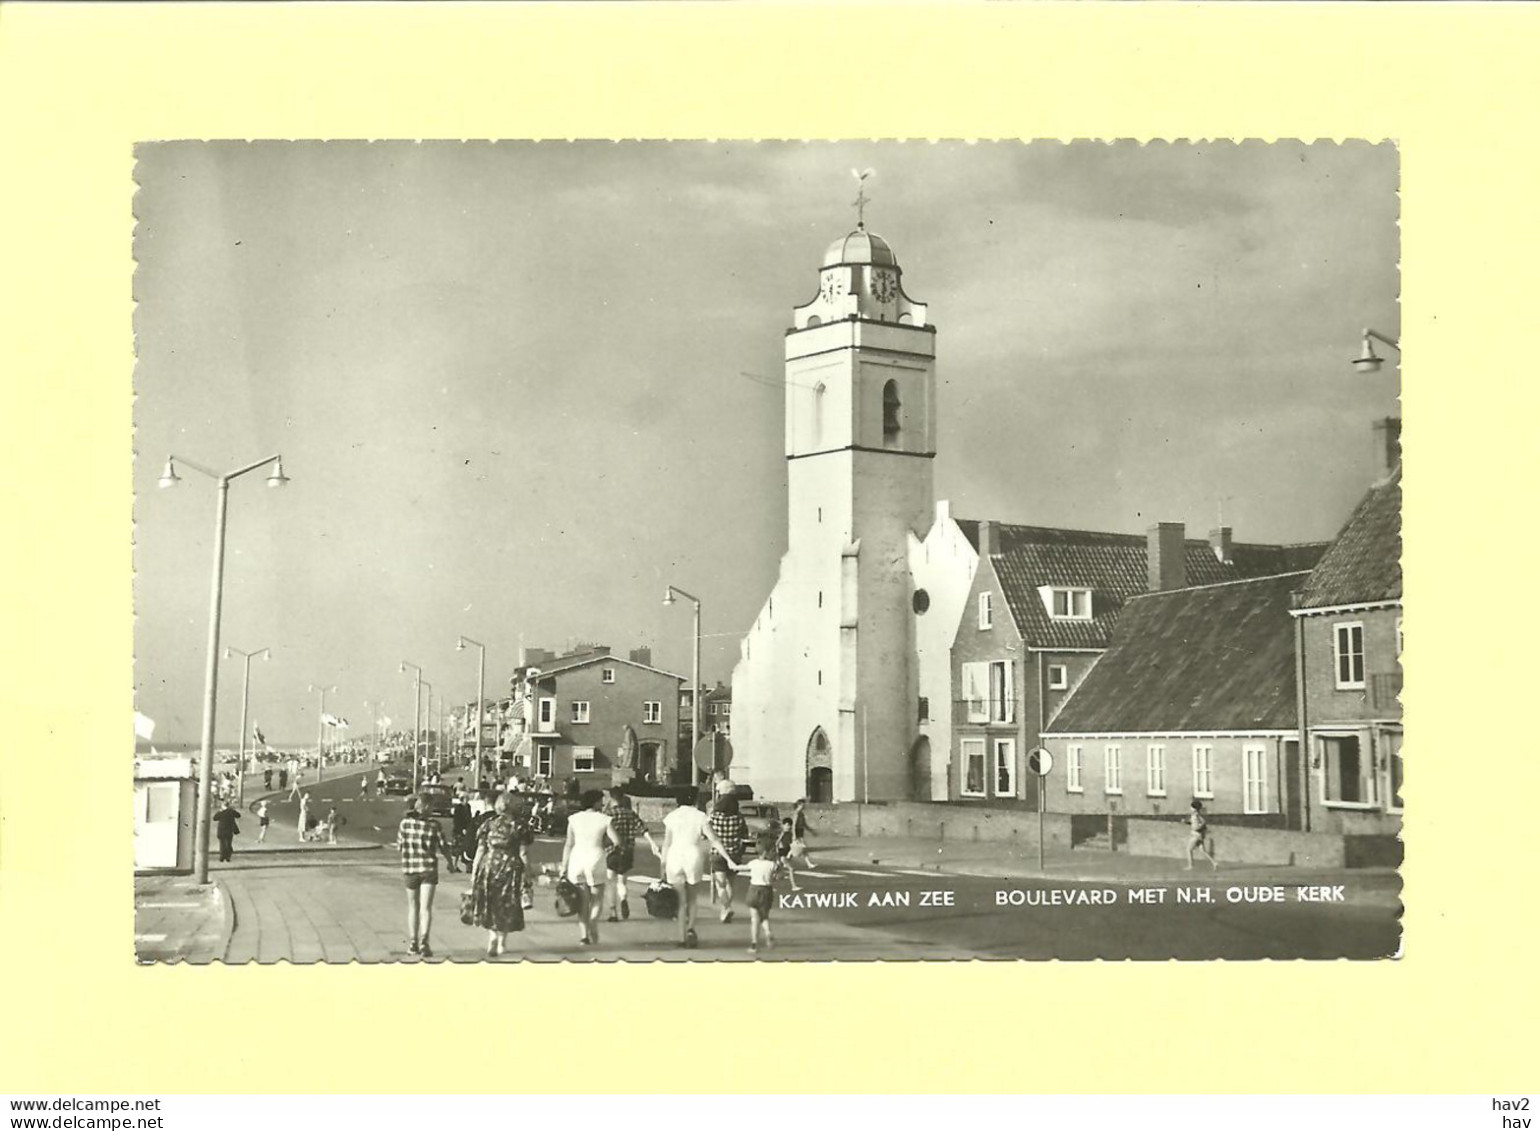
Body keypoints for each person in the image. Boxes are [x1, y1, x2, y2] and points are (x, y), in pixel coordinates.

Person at [659, 789, 733, 949]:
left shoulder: (671, 817)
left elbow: (666, 843)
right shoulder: (700, 816)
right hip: (693, 856)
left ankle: (681, 937)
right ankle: (691, 928)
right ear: (694, 800)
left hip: (674, 857)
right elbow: (714, 839)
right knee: (692, 899)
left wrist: (663, 864)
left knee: (680, 901)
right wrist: (728, 858)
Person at [468, 793, 533, 958]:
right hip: (510, 867)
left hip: (489, 866)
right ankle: (502, 943)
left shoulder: (489, 824)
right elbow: (523, 853)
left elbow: (480, 850)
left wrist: (475, 871)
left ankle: (492, 937)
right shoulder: (519, 825)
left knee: (491, 901)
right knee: (507, 903)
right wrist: (528, 875)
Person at [560, 790, 616, 946]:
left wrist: (564, 866)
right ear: (595, 802)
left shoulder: (573, 819)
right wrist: (604, 845)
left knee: (582, 901)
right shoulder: (605, 819)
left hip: (577, 860)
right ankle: (593, 922)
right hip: (596, 858)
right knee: (597, 898)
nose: (603, 803)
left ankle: (584, 936)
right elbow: (617, 841)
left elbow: (568, 844)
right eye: (601, 801)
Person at [397, 795, 445, 958]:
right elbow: (443, 846)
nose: (433, 809)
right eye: (431, 806)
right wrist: (451, 863)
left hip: (410, 869)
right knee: (426, 908)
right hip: (428, 869)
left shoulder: (404, 824)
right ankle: (425, 942)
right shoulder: (434, 825)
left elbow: (399, 846)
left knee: (413, 906)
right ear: (425, 807)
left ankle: (413, 943)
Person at [603, 790, 660, 923]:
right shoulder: (631, 814)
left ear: (611, 799)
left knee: (610, 882)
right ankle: (623, 899)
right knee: (622, 881)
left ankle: (613, 913)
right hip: (627, 851)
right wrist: (652, 843)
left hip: (611, 851)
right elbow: (643, 829)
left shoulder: (608, 815)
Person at [733, 834, 780, 954]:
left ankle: (754, 944)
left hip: (753, 891)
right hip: (767, 891)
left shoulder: (753, 863)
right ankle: (768, 932)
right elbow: (779, 875)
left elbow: (740, 868)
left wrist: (731, 864)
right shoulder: (772, 865)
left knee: (754, 918)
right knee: (764, 916)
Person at [708, 795, 749, 923]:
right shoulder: (739, 819)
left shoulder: (714, 818)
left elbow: (706, 833)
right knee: (730, 883)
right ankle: (725, 909)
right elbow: (744, 834)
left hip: (717, 854)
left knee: (720, 884)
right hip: (734, 854)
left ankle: (726, 907)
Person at [1186, 800, 1218, 870]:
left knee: (1188, 849)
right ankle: (1214, 863)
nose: (1190, 808)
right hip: (1199, 835)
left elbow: (1203, 822)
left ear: (1195, 808)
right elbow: (1193, 823)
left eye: (1191, 807)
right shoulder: (1195, 814)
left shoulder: (1196, 814)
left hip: (1196, 835)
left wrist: (1198, 828)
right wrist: (1187, 822)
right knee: (1203, 850)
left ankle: (1190, 866)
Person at [775, 817, 803, 891]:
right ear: (783, 825)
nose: (788, 827)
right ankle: (793, 886)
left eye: (789, 825)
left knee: (778, 872)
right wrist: (779, 853)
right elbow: (777, 843)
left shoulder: (789, 834)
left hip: (783, 854)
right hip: (782, 854)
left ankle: (770, 886)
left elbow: (791, 846)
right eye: (786, 825)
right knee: (791, 869)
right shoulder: (784, 834)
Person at [449, 793, 474, 872]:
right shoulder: (458, 808)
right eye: (466, 798)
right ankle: (453, 865)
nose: (467, 800)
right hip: (458, 831)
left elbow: (469, 818)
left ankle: (468, 866)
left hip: (466, 830)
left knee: (465, 848)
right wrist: (461, 829)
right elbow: (456, 820)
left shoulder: (468, 807)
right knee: (456, 849)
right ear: (462, 799)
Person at [791, 798, 817, 869]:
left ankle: (784, 861)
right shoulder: (796, 813)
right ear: (799, 805)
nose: (804, 806)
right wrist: (794, 835)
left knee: (798, 849)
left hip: (800, 832)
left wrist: (811, 831)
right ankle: (809, 864)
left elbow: (804, 824)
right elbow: (794, 825)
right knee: (801, 848)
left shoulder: (801, 814)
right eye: (802, 804)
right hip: (797, 832)